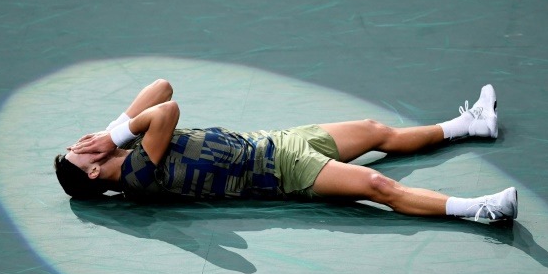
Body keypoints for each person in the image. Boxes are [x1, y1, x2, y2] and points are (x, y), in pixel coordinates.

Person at [55, 79, 517, 221]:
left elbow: (159, 85)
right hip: (284, 172)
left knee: (377, 131)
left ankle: (470, 125)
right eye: (77, 153)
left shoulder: (124, 144)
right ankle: (478, 210)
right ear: (94, 174)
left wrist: (107, 133)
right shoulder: (135, 171)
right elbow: (167, 109)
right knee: (379, 185)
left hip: (279, 139)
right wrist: (113, 138)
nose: (80, 145)